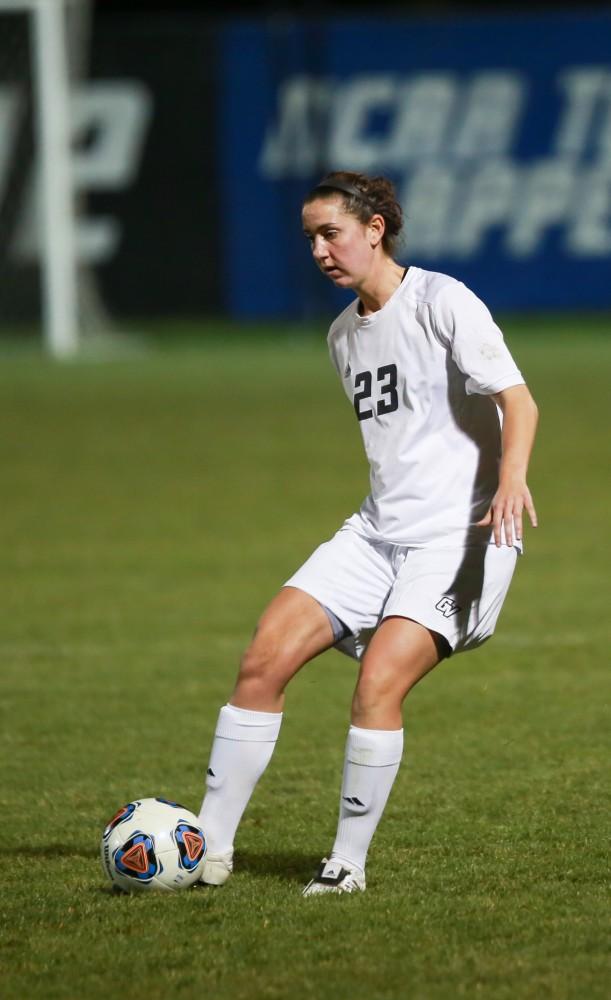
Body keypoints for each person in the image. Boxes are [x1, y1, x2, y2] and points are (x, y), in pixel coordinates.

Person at [197, 170, 539, 895]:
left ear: (374, 228)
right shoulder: (341, 336)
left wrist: (510, 480)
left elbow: (517, 399)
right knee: (262, 660)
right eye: (309, 238)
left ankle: (345, 866)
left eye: (331, 233)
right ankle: (207, 849)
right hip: (376, 532)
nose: (319, 250)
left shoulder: (442, 301)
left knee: (378, 683)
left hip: (461, 536)